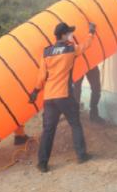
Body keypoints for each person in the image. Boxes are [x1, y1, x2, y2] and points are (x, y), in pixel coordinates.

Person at [29, 22, 95, 173]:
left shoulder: (47, 52)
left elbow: (42, 76)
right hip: (64, 95)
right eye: (69, 33)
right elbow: (85, 46)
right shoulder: (70, 49)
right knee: (75, 124)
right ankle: (81, 155)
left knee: (48, 130)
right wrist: (91, 32)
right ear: (64, 35)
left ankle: (42, 163)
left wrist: (35, 91)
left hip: (49, 97)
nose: (71, 35)